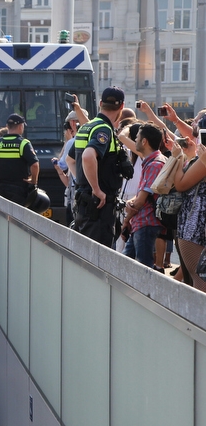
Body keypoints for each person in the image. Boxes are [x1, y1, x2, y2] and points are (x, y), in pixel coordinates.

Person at [74, 86, 127, 247]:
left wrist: (84, 181)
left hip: (85, 202)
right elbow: (88, 156)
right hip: (98, 207)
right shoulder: (103, 129)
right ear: (122, 106)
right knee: (98, 259)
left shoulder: (87, 127)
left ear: (101, 103)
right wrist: (97, 189)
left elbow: (71, 159)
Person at [121, 124, 166, 267]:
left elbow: (140, 201)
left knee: (143, 269)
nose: (135, 140)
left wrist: (129, 206)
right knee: (124, 264)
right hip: (141, 223)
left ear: (144, 141)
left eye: (137, 138)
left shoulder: (154, 164)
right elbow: (141, 195)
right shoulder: (154, 161)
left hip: (146, 222)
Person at [0, 114, 39, 205]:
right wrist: (34, 180)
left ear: (7, 126)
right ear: (20, 126)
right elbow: (34, 165)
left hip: (1, 189)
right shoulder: (23, 143)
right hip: (19, 190)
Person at [174, 141, 206, 291]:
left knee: (200, 278)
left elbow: (180, 185)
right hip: (194, 224)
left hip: (194, 224)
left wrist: (178, 159)